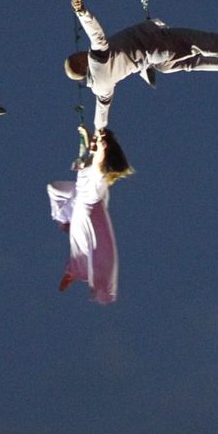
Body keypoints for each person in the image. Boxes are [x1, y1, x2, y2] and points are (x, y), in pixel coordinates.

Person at [66, 0, 218, 127]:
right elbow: (96, 36)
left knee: (204, 63)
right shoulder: (97, 62)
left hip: (160, 62)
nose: (81, 53)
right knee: (213, 44)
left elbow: (102, 112)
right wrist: (82, 11)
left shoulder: (99, 87)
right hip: (161, 46)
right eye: (78, 56)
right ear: (81, 65)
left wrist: (100, 132)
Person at [48, 125, 131, 305]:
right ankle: (65, 223)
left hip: (86, 203)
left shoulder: (99, 168)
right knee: (53, 188)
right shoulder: (94, 157)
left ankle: (77, 271)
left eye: (98, 142)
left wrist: (101, 144)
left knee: (86, 241)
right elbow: (91, 150)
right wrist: (86, 135)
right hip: (80, 195)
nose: (94, 143)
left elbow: (99, 155)